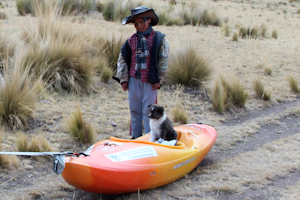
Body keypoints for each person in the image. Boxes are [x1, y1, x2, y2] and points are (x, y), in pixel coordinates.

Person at [117, 6, 169, 139]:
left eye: (142, 22)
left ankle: (149, 137)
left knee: (149, 111)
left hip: (150, 81)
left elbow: (163, 59)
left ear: (149, 20)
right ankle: (135, 136)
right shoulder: (131, 40)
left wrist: (159, 79)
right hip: (134, 79)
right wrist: (124, 78)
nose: (139, 26)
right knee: (134, 109)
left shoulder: (158, 38)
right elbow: (123, 58)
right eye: (136, 23)